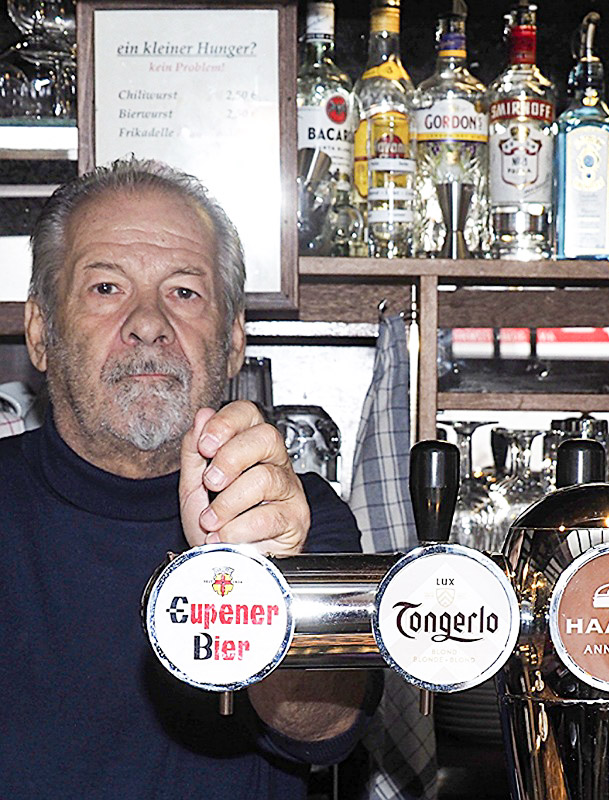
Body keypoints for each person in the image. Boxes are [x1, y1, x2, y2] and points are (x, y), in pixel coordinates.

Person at [0, 158, 380, 798]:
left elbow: (323, 725)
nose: (148, 323)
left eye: (184, 292)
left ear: (232, 342)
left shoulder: (298, 516)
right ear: (41, 333)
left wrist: (267, 580)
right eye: (105, 288)